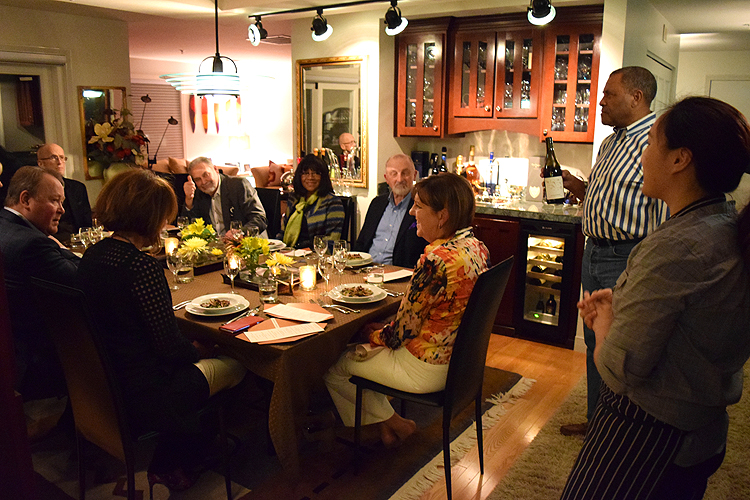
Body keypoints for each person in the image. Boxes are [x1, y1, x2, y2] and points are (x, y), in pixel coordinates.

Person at [560, 97, 750, 500]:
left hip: (651, 437)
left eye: (649, 145)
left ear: (680, 159)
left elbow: (619, 370)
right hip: (702, 430)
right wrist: (628, 302)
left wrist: (605, 324)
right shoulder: (724, 223)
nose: (643, 157)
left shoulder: (676, 248)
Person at [76, 169, 246, 491]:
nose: (167, 224)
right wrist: (200, 350)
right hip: (149, 390)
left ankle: (180, 445)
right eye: (165, 217)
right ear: (150, 216)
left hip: (104, 381)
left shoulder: (93, 254)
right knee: (238, 363)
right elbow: (169, 347)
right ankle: (176, 457)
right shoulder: (141, 267)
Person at [324, 173, 490, 447]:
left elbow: (398, 336)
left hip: (426, 367)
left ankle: (389, 425)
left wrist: (370, 334)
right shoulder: (476, 248)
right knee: (368, 347)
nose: (412, 212)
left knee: (336, 365)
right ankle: (386, 427)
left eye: (419, 206)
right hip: (461, 363)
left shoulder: (435, 261)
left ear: (442, 216)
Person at [558, 66, 668, 437]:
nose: (600, 101)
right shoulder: (610, 143)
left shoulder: (656, 143)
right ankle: (598, 421)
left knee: (622, 347)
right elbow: (607, 195)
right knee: (594, 339)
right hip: (594, 251)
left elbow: (664, 209)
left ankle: (622, 429)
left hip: (627, 256)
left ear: (636, 98)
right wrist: (579, 187)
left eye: (609, 94)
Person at [0, 166, 79, 399]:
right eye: (55, 200)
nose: (62, 209)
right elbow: (82, 280)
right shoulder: (32, 244)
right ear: (26, 199)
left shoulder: (5, 226)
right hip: (41, 364)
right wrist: (61, 248)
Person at [354, 154, 427, 267]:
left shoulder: (422, 207)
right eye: (394, 174)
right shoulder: (377, 204)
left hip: (400, 273)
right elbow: (362, 243)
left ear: (414, 175)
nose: (400, 179)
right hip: (367, 269)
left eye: (405, 173)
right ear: (386, 178)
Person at [182, 156, 267, 236]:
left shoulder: (238, 185)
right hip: (216, 244)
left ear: (216, 169)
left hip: (247, 242)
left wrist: (240, 233)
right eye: (198, 179)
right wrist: (189, 199)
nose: (203, 182)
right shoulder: (199, 192)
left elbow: (259, 218)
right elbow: (189, 227)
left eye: (206, 175)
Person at [279, 154, 345, 249]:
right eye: (306, 173)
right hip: (288, 252)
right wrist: (277, 248)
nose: (310, 177)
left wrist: (308, 250)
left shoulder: (332, 202)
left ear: (323, 177)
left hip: (314, 254)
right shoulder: (294, 198)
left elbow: (332, 241)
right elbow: (282, 232)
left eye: (316, 173)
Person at [37, 143, 92, 244]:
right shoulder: (36, 189)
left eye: (62, 158)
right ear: (41, 163)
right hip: (49, 242)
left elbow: (87, 224)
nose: (59, 162)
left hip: (78, 242)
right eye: (54, 157)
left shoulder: (77, 187)